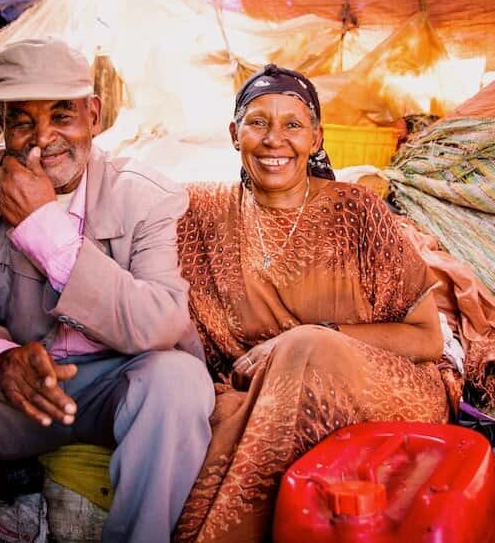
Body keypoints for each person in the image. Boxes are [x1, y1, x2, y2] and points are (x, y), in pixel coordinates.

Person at [0, 38, 214, 543]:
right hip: (21, 392)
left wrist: (42, 225)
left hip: (115, 383)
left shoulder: (145, 195)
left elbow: (160, 321)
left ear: (94, 116)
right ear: (3, 129)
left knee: (178, 383)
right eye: (23, 121)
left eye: (62, 116)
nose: (44, 138)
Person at [172, 64, 458, 542]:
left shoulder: (357, 210)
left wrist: (310, 340)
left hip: (387, 388)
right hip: (263, 397)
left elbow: (428, 338)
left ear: (316, 137)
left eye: (292, 125)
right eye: (258, 122)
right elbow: (106, 193)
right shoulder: (200, 211)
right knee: (220, 414)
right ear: (233, 133)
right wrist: (1, 163)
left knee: (308, 351)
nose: (274, 140)